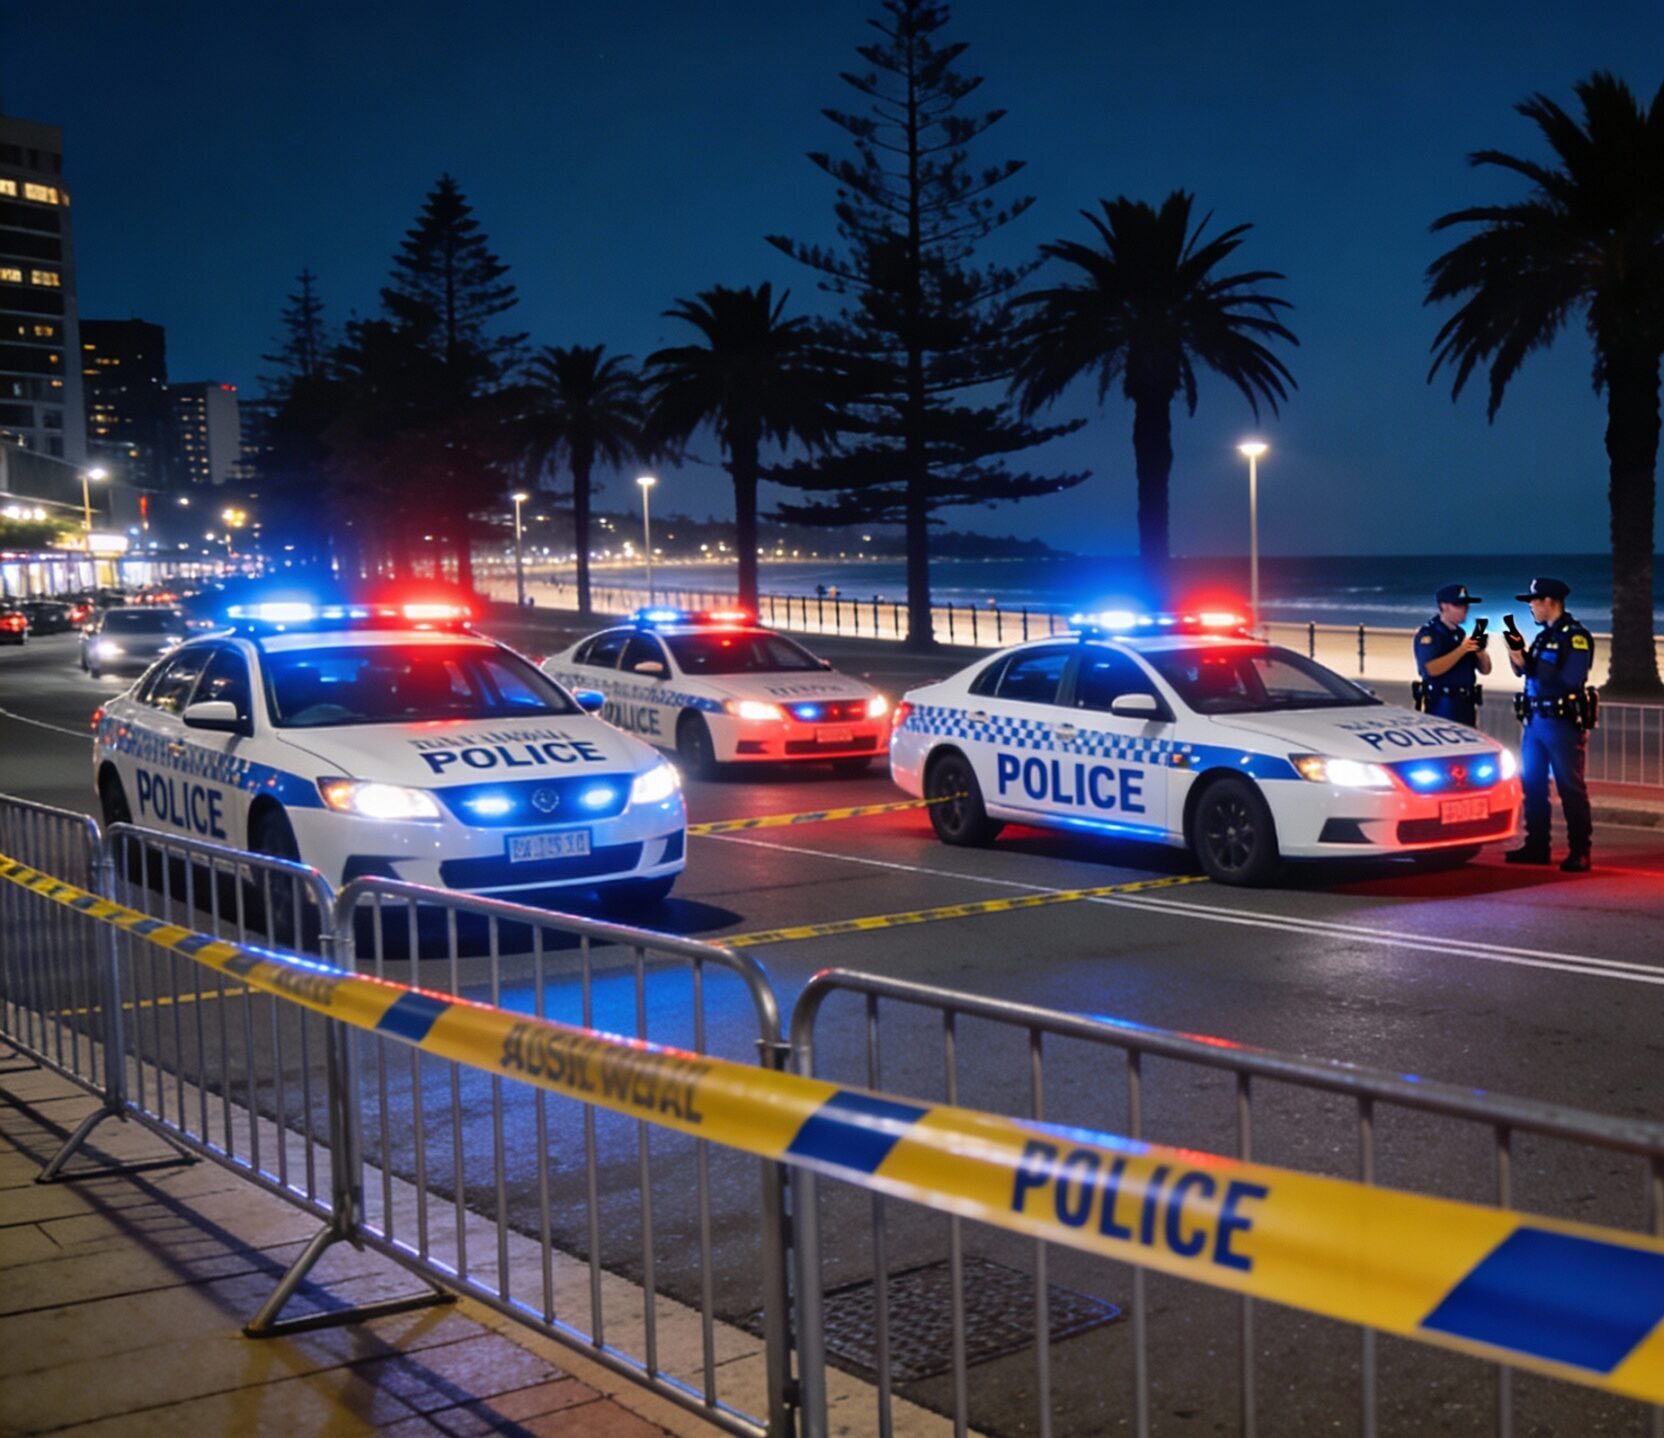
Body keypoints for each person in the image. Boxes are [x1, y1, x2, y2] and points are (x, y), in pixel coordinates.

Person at [1504, 577, 1595, 872]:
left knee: (1570, 787)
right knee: (1533, 784)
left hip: (1562, 723)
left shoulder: (1575, 636)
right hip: (1535, 722)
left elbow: (1570, 679)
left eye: (1533, 601)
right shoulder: (1544, 637)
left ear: (1549, 602)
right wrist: (1516, 655)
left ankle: (1580, 850)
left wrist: (1533, 665)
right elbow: (1527, 673)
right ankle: (1537, 845)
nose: (1531, 607)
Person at [1413, 583, 1491, 725]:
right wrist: (1462, 650)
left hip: (1466, 703)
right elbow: (1431, 669)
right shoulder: (1430, 634)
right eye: (1459, 606)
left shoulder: (1460, 634)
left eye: (1466, 605)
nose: (1465, 610)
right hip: (1443, 702)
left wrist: (1479, 651)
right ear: (1444, 607)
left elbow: (1485, 669)